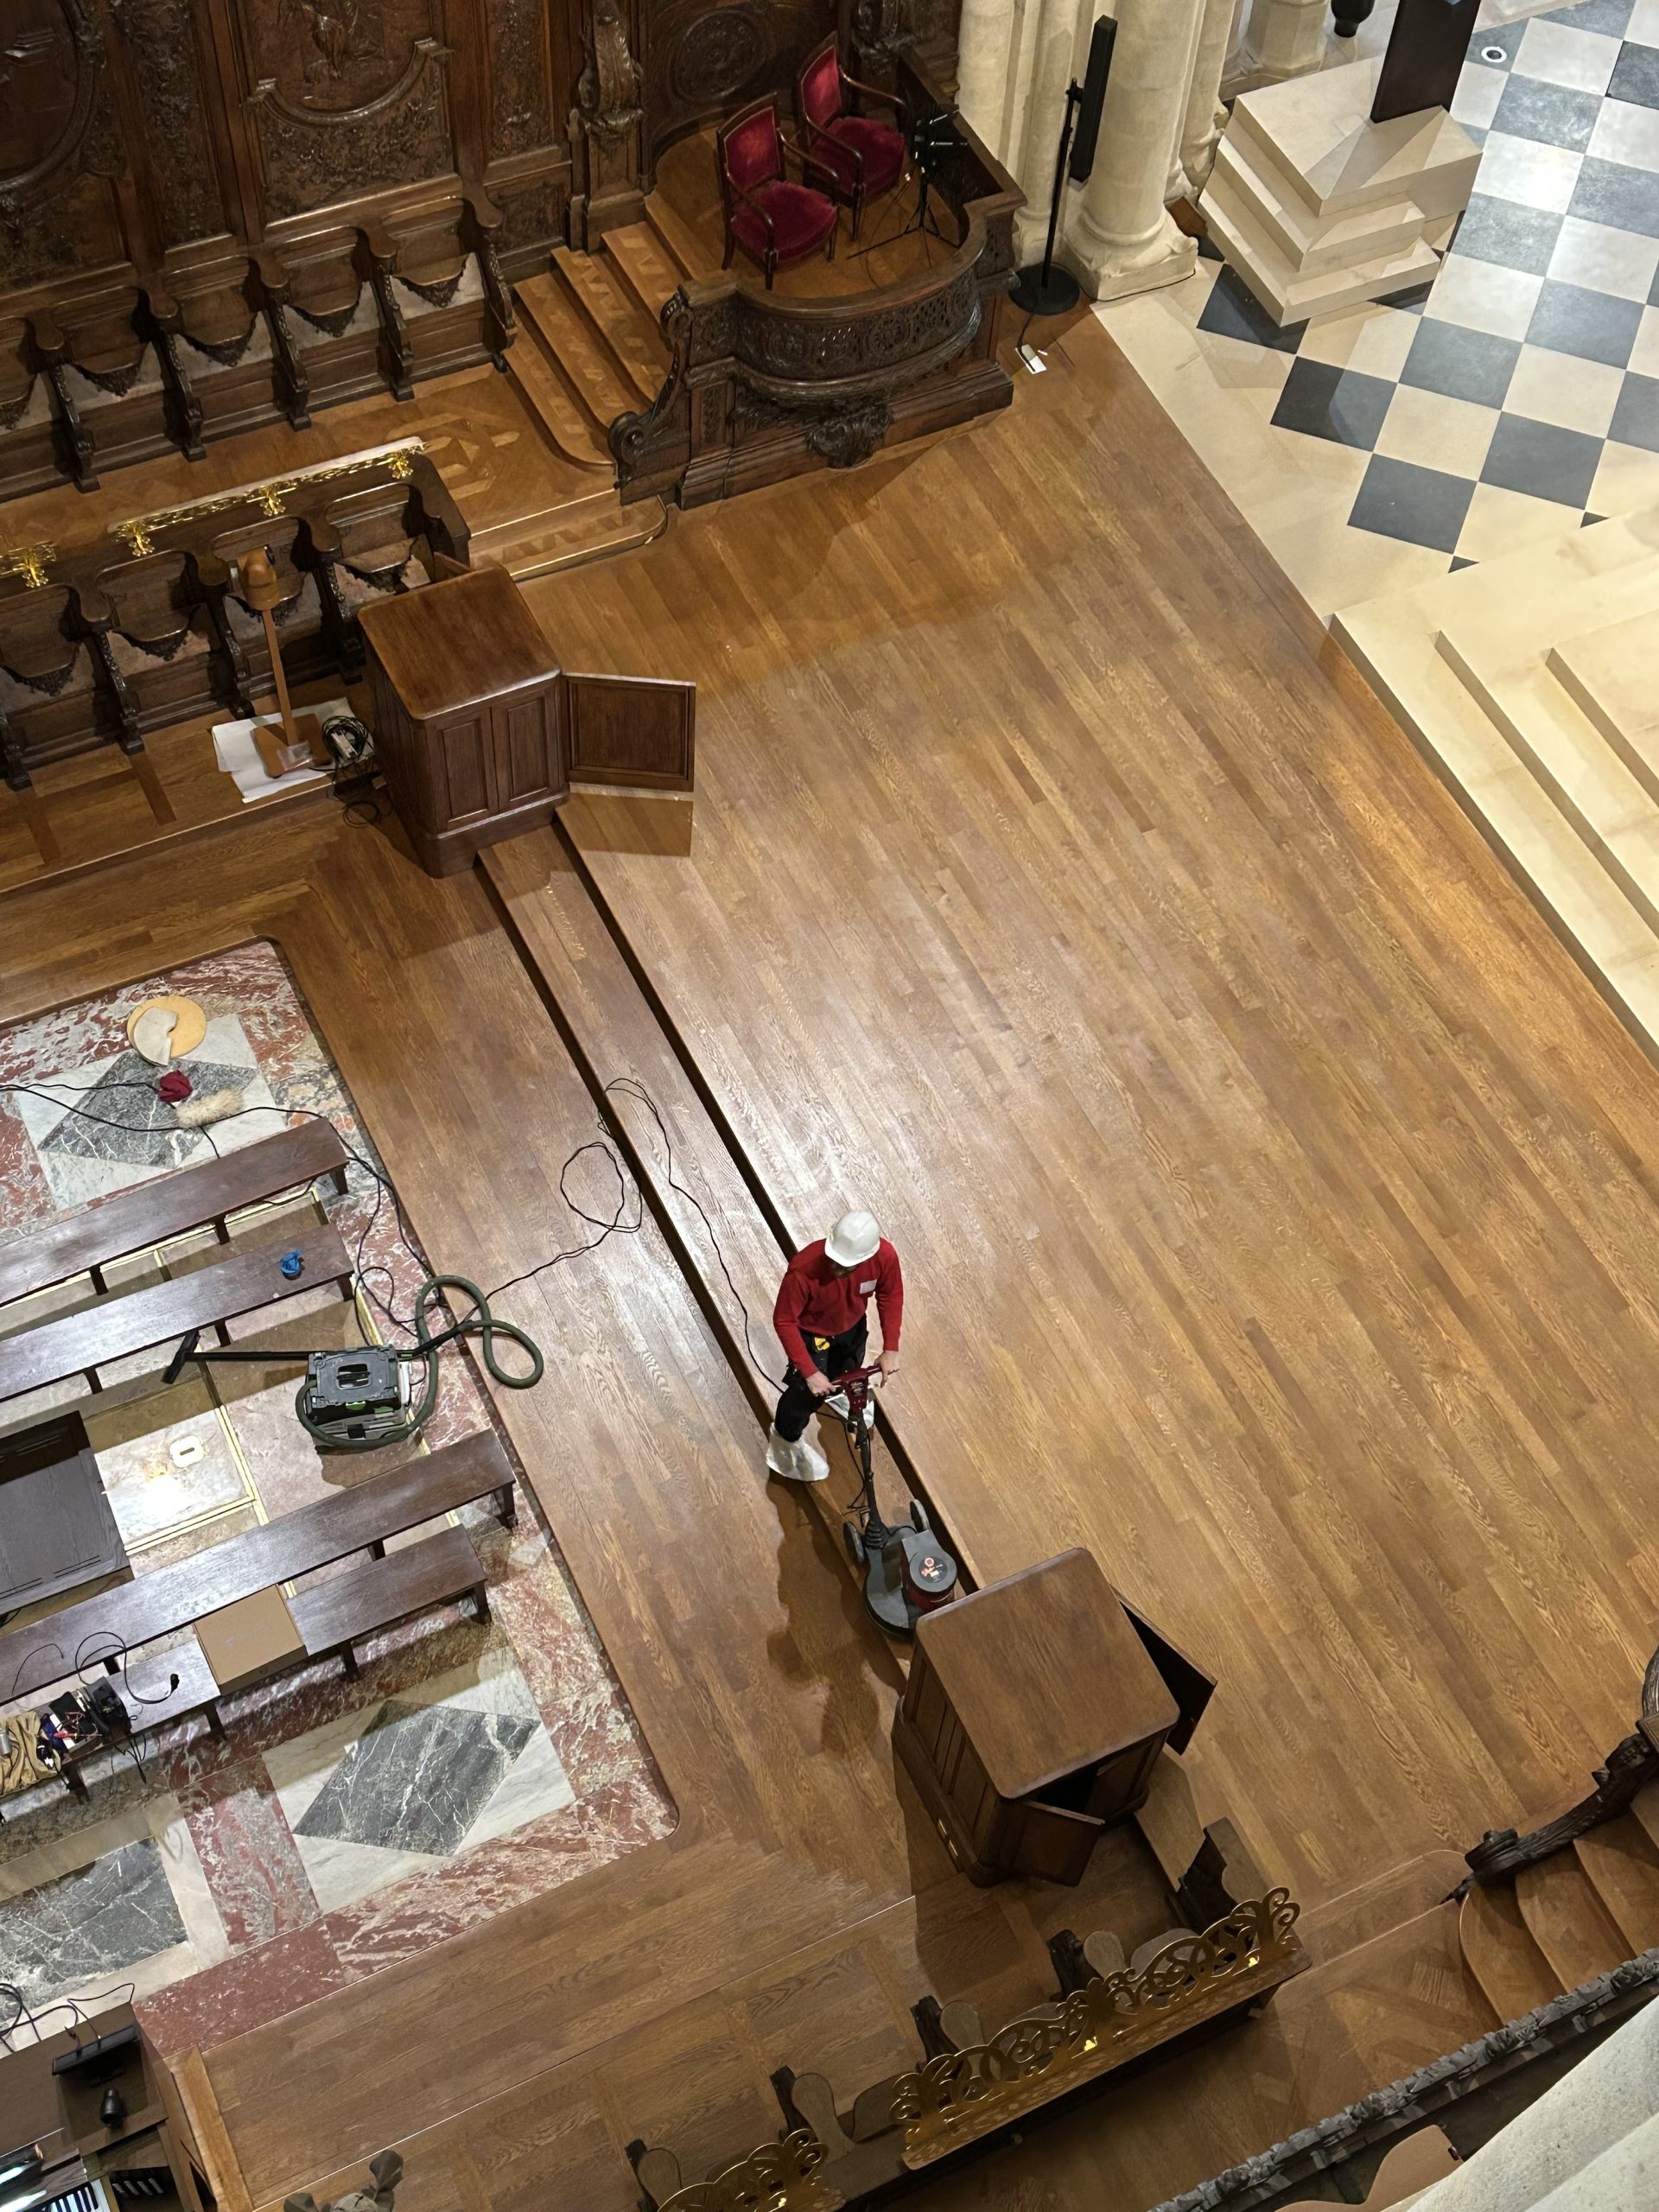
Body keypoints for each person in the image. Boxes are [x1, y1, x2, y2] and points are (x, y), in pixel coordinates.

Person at [766, 1210, 902, 1482]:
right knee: (804, 1395)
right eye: (834, 1260)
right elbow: (784, 1320)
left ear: (865, 1258)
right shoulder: (803, 1269)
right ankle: (785, 1442)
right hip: (812, 1335)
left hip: (850, 1328)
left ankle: (841, 1398)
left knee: (850, 1369)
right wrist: (808, 1371)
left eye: (845, 1265)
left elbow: (890, 1294)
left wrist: (891, 1348)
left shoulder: (884, 1257)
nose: (836, 1269)